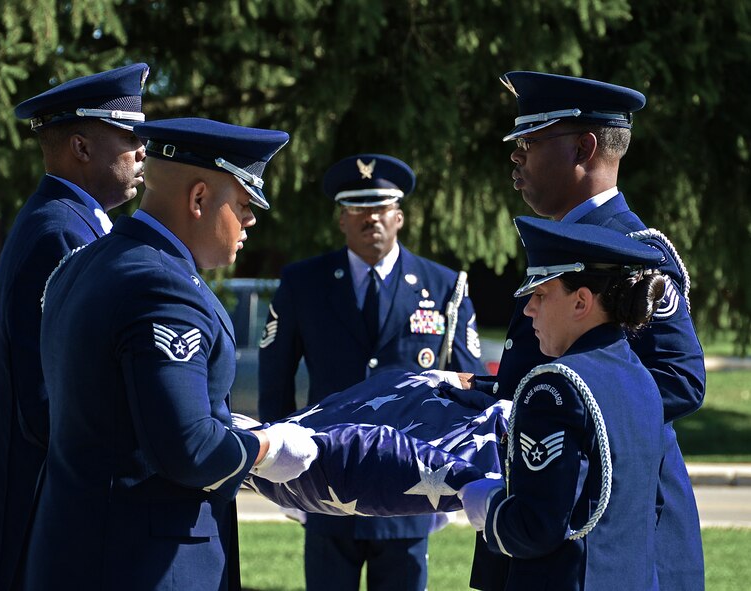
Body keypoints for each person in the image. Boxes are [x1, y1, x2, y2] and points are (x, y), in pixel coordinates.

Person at [26, 117, 318, 591]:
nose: (251, 221)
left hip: (78, 548)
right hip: (143, 563)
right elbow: (188, 449)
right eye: (243, 204)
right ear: (198, 198)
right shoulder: (163, 287)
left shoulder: (84, 263)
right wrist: (269, 448)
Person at [470, 71, 705, 590]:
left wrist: (573, 414)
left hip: (608, 519)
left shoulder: (630, 250)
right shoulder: (565, 242)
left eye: (529, 143)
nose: (516, 158)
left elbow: (681, 380)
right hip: (542, 501)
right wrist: (493, 396)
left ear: (584, 147)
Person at [0, 63, 150, 590]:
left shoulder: (67, 221)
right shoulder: (61, 234)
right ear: (80, 147)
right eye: (130, 136)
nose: (143, 150)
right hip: (42, 512)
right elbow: (49, 399)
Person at [258, 153, 486, 591]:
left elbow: (470, 385)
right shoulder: (303, 283)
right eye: (358, 209)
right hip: (324, 478)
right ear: (341, 220)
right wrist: (278, 476)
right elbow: (275, 379)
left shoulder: (443, 286)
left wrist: (458, 476)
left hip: (413, 481)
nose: (371, 220)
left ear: (399, 216)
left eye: (381, 209)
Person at [459, 216, 667, 590]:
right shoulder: (641, 377)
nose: (528, 310)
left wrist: (484, 503)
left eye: (540, 295)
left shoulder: (554, 385)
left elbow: (536, 526)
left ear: (581, 302)